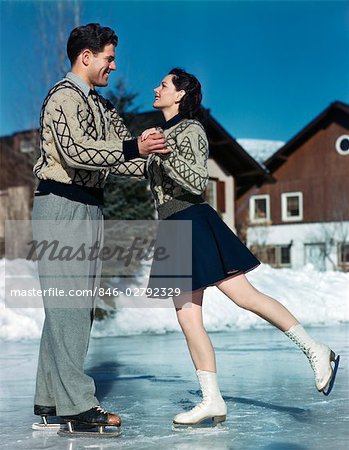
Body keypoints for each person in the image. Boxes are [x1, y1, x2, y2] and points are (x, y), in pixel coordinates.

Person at [128, 68, 340, 427]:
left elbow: (196, 181)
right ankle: (212, 400)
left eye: (163, 84)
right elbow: (134, 168)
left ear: (180, 94)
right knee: (187, 318)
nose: (156, 88)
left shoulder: (191, 129)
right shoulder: (161, 136)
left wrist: (162, 154)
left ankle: (316, 350)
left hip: (192, 220)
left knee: (243, 295)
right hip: (171, 227)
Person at [31, 23, 168, 435]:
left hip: (90, 207)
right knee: (68, 306)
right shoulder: (63, 97)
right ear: (85, 57)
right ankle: (76, 406)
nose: (113, 66)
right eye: (108, 58)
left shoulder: (102, 107)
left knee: (71, 307)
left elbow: (122, 159)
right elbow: (76, 151)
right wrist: (130, 148)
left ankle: (50, 398)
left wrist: (156, 154)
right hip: (60, 203)